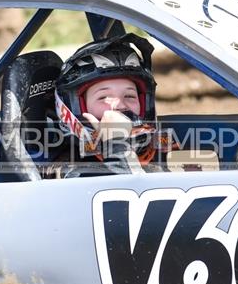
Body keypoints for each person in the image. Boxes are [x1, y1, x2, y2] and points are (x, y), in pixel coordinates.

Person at [48, 32, 175, 176]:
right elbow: (132, 192)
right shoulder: (76, 174)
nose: (121, 105)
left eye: (129, 95)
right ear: (74, 106)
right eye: (104, 97)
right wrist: (117, 145)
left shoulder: (154, 148)